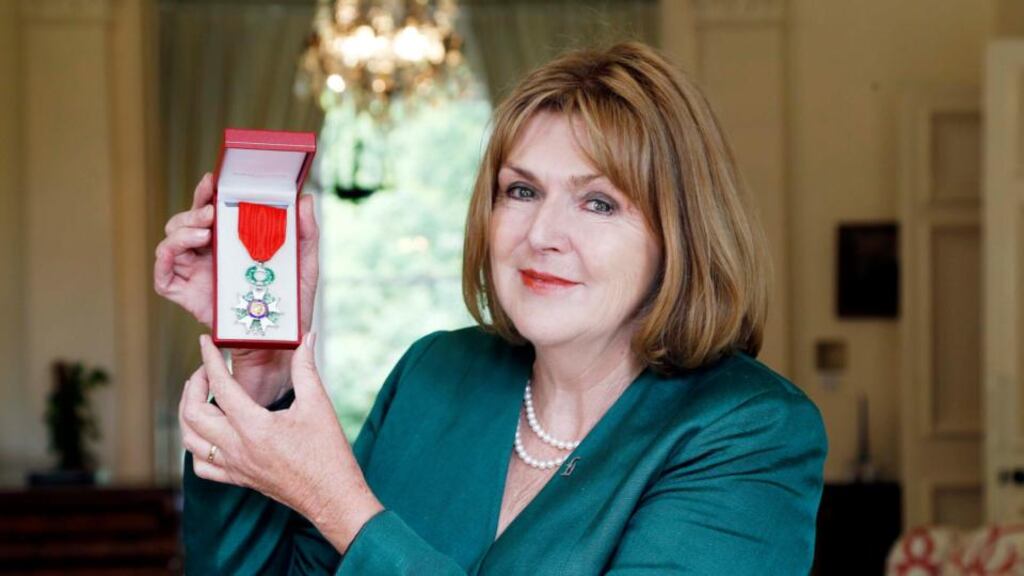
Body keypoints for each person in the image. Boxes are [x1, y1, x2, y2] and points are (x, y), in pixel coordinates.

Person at [154, 42, 827, 575]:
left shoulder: (752, 431)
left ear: (678, 234)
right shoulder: (434, 373)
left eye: (598, 202)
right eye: (522, 191)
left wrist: (340, 504)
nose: (541, 236)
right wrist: (264, 363)